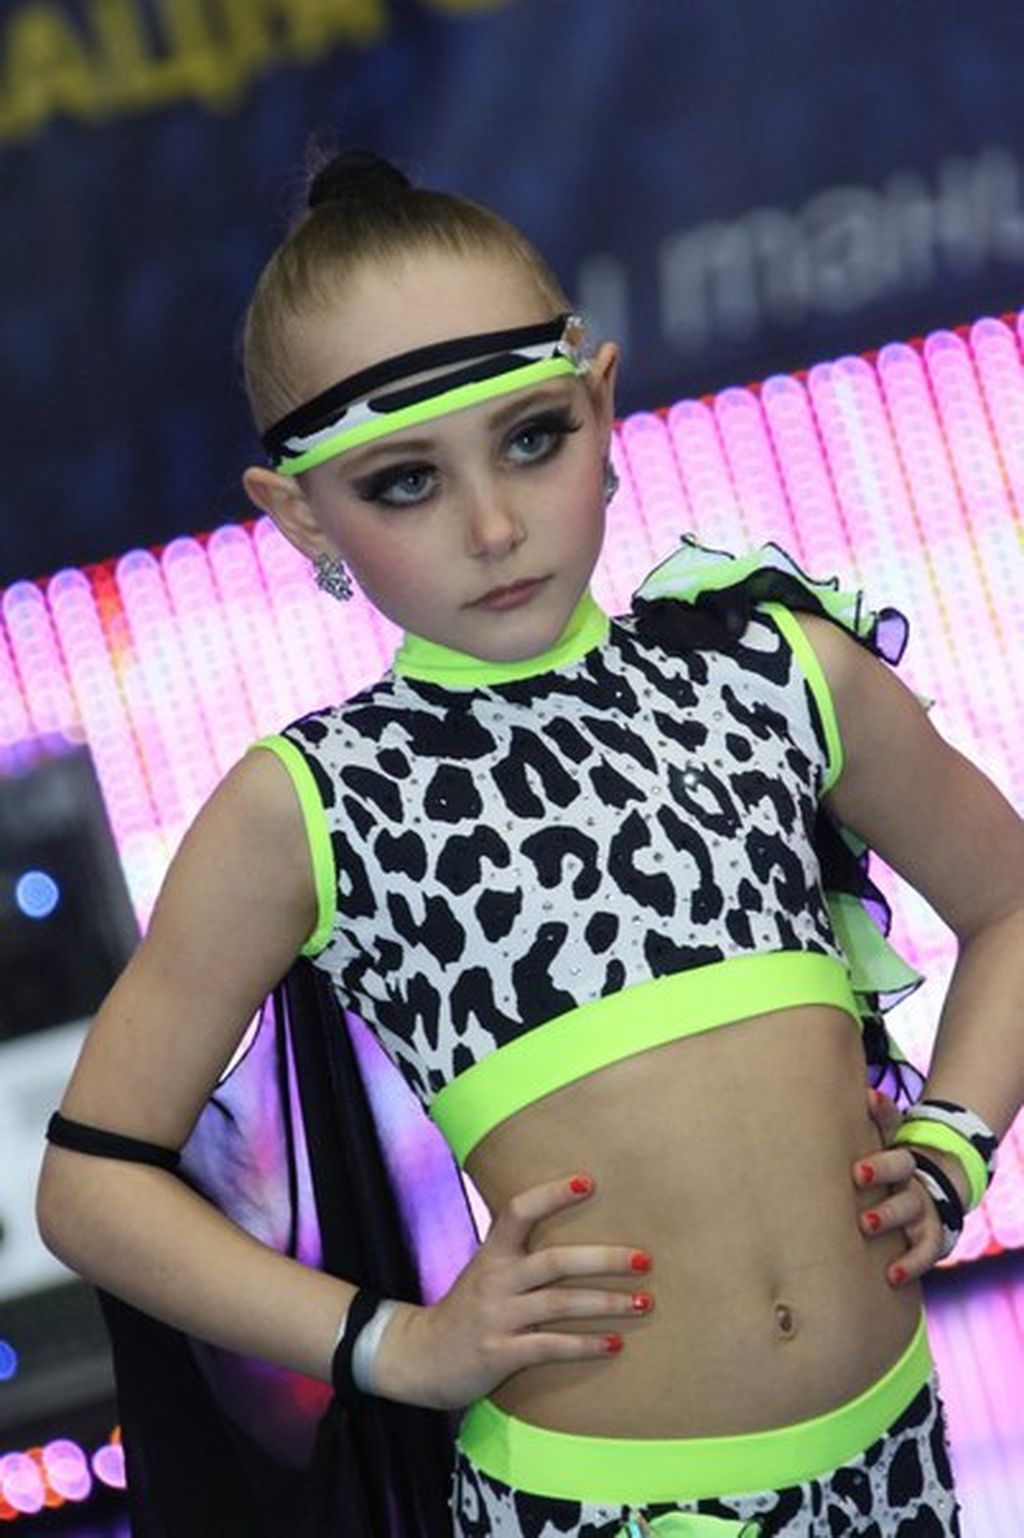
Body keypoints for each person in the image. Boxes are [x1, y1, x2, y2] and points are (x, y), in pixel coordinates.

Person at [37, 148, 1024, 1538]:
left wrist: (953, 1147)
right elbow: (88, 1184)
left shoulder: (773, 671)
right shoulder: (315, 801)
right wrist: (393, 1344)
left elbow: (1010, 902)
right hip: (593, 1511)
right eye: (404, 482)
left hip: (897, 1462)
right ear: (301, 512)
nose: (494, 526)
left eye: (531, 438)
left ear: (602, 404)